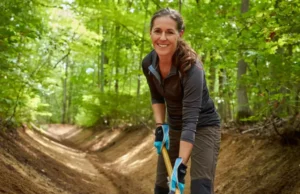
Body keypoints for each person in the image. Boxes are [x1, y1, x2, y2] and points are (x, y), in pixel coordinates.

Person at [141, 8, 221, 194]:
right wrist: (161, 126)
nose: (162, 38)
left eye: (170, 32)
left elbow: (191, 121)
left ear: (180, 34)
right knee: (162, 187)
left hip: (203, 126)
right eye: (157, 31)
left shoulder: (192, 68)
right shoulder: (148, 63)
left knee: (201, 188)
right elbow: (157, 96)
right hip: (175, 126)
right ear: (150, 33)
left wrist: (181, 165)